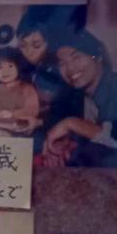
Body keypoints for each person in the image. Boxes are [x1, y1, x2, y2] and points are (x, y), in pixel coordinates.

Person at [44, 31, 117, 168]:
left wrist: (71, 123)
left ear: (98, 56)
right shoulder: (75, 97)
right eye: (62, 63)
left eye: (76, 57)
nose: (70, 68)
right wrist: (64, 147)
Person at [15, 13, 84, 160]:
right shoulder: (21, 69)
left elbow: (70, 115)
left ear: (50, 42)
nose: (29, 52)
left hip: (54, 133)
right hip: (25, 130)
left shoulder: (62, 71)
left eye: (37, 45)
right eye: (23, 46)